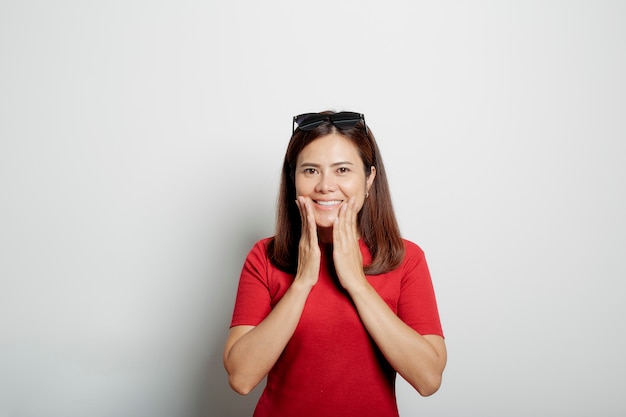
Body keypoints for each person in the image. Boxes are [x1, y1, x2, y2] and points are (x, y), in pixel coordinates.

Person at [223, 111, 446, 417]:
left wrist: (356, 283)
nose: (326, 186)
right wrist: (302, 283)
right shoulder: (265, 256)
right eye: (311, 170)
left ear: (369, 179)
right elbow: (242, 378)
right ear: (293, 180)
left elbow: (428, 379)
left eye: (342, 169)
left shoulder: (406, 259)